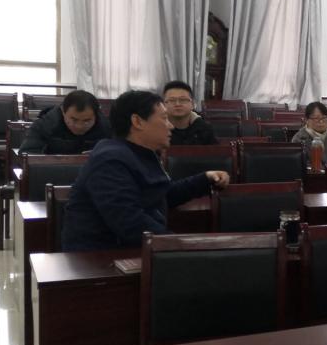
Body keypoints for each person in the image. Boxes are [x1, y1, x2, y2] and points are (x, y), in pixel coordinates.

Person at [61, 90, 229, 252]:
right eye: (164, 118)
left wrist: (204, 179)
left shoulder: (140, 152)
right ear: (137, 121)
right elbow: (129, 222)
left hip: (131, 249)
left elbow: (161, 195)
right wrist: (181, 246)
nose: (170, 126)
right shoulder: (110, 160)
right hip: (100, 259)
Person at [19, 90, 111, 155]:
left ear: (96, 116)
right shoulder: (45, 125)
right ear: (63, 112)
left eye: (87, 121)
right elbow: (28, 154)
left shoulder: (106, 127)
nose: (79, 126)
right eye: (74, 120)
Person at [163, 80, 217, 145]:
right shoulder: (156, 129)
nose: (177, 104)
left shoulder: (205, 129)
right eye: (172, 100)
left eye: (183, 100)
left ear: (192, 104)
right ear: (163, 105)